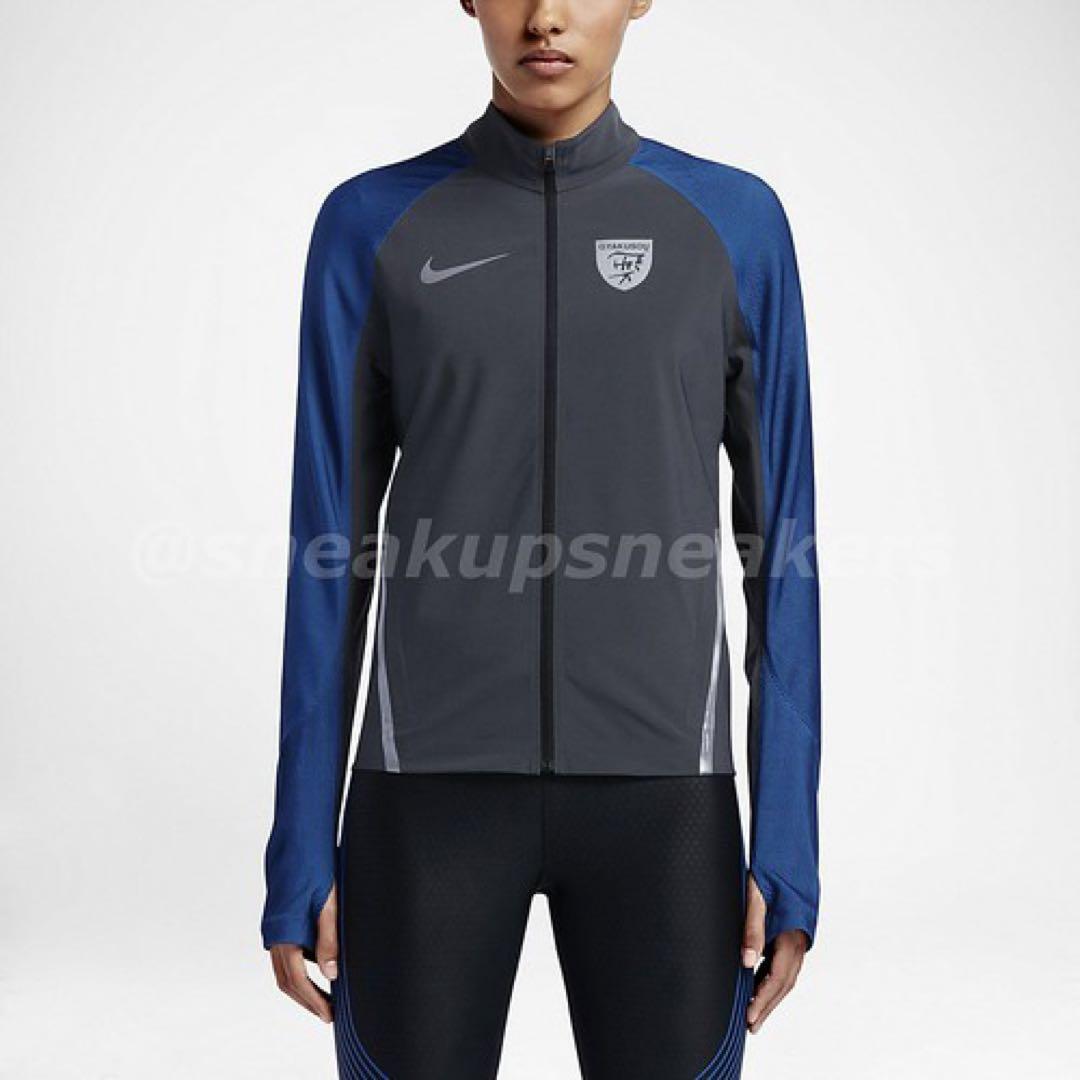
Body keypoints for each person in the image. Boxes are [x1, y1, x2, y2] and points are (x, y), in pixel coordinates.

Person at [261, 0, 821, 1076]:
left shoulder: (733, 225)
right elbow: (326, 552)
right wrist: (298, 839)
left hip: (666, 807)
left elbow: (783, 552)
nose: (548, 16)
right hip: (423, 805)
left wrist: (788, 840)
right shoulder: (371, 224)